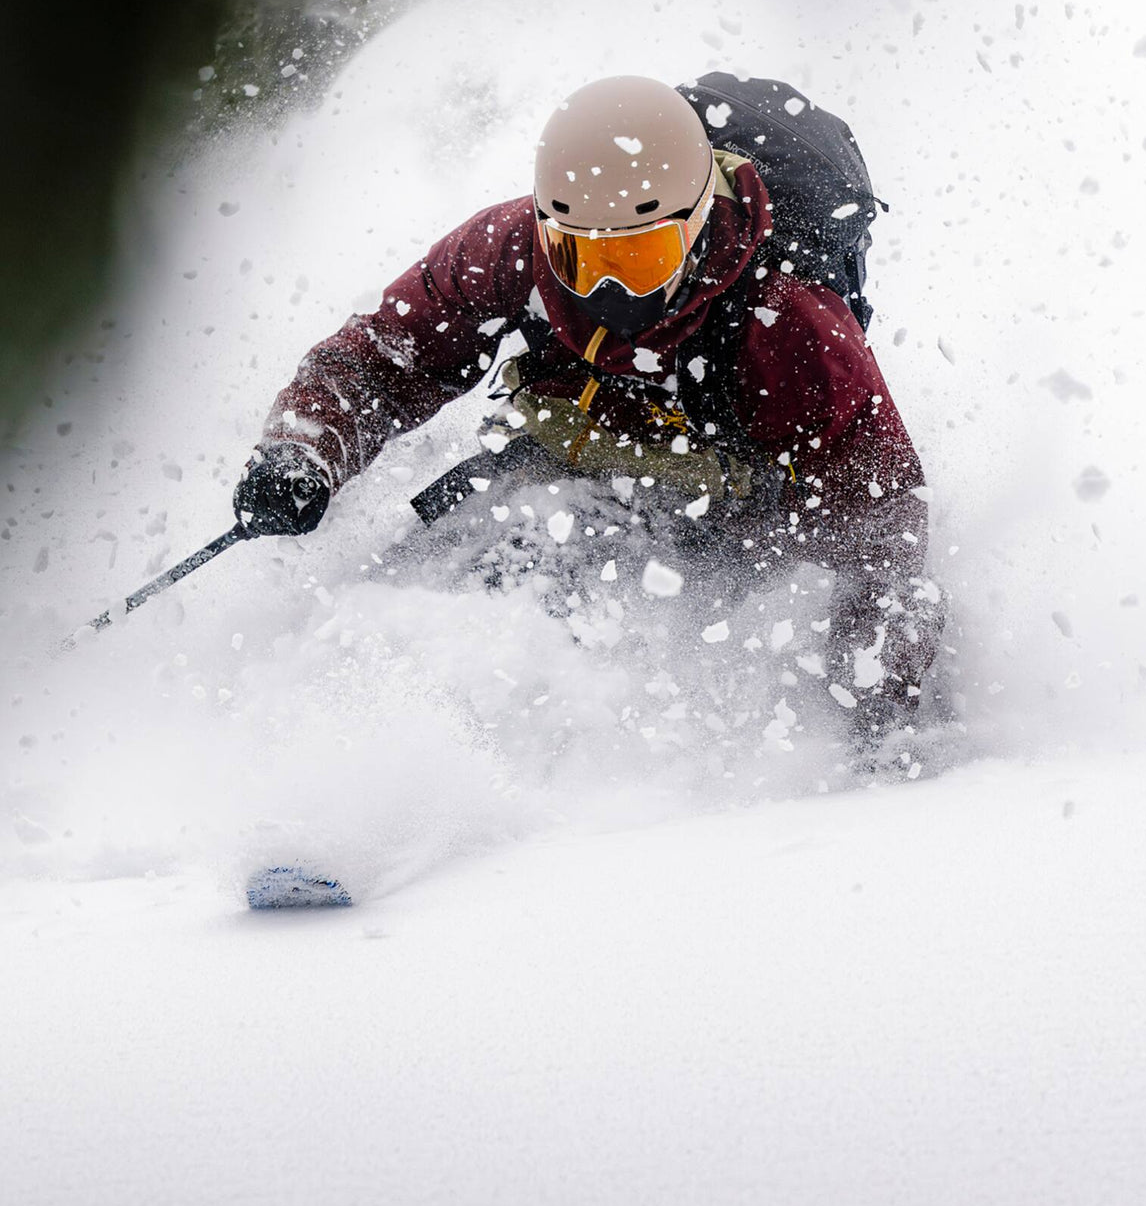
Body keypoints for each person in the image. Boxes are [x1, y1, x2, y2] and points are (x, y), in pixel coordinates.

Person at [234, 74, 943, 755]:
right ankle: (316, 739)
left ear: (696, 226)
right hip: (561, 454)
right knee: (434, 567)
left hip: (722, 518)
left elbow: (881, 521)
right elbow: (389, 353)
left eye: (641, 257)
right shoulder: (514, 246)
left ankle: (484, 775)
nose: (608, 288)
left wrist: (876, 712)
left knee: (549, 591)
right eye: (582, 257)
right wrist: (302, 452)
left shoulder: (784, 321)